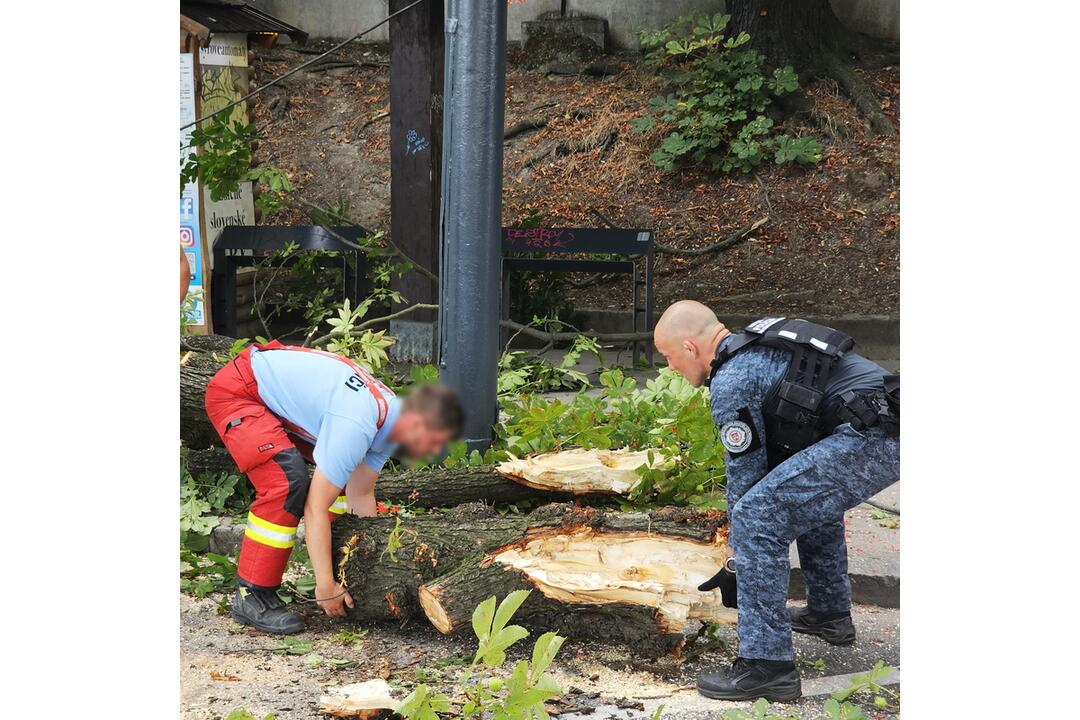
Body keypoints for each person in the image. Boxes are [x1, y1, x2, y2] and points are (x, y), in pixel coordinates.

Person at [653, 301, 899, 702]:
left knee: (757, 517)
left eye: (668, 356)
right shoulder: (756, 347)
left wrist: (736, 558)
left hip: (873, 435)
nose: (669, 367)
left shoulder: (732, 379)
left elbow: (746, 480)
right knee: (804, 495)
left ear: (690, 348)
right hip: (884, 421)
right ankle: (829, 613)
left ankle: (767, 667)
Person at [204, 340, 464, 634]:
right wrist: (325, 586)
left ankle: (340, 570)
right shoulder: (357, 424)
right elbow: (314, 508)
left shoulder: (391, 421)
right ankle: (252, 595)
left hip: (269, 398)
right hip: (239, 392)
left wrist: (371, 563)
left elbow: (360, 493)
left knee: (336, 486)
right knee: (286, 483)